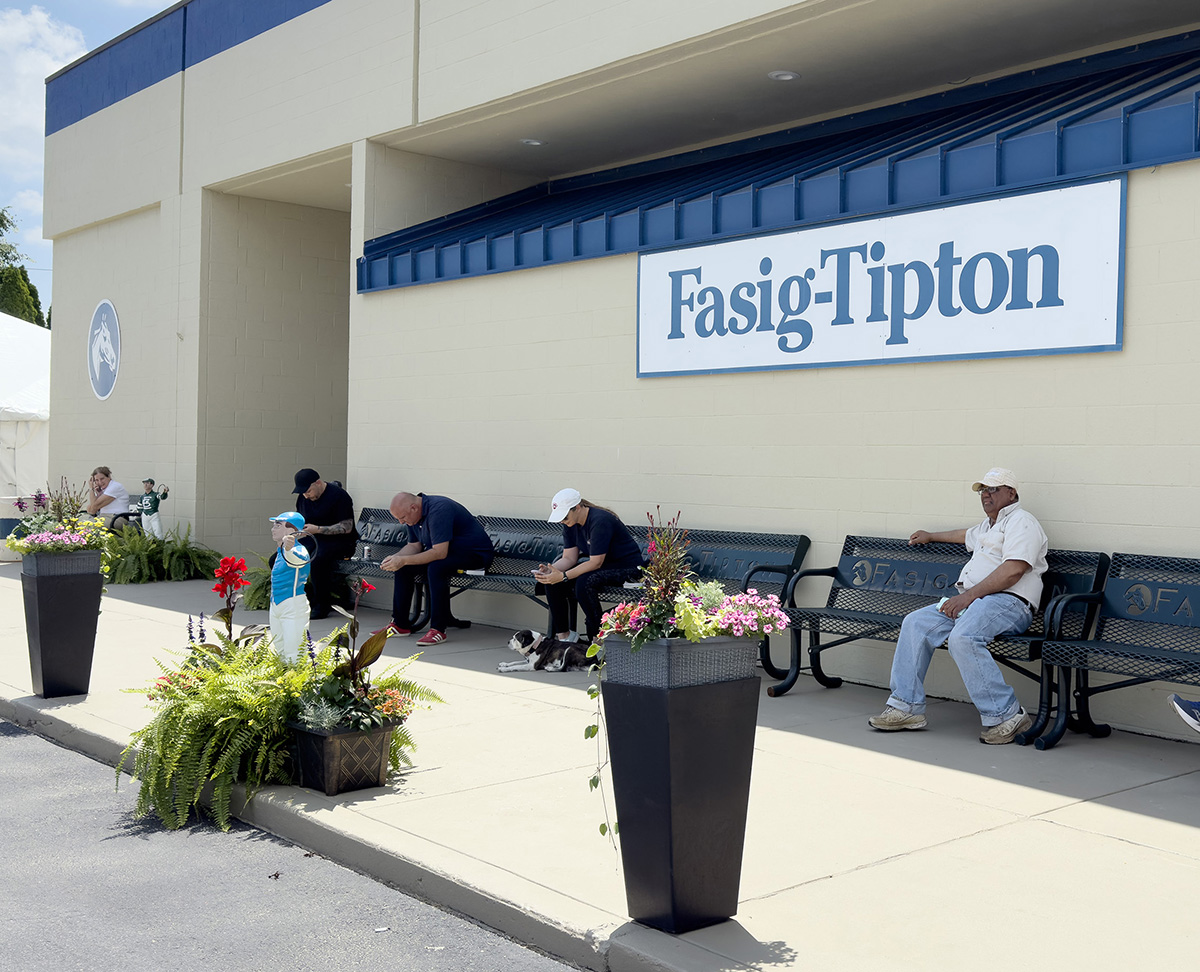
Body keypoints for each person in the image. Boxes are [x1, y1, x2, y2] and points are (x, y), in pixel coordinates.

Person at [869, 467, 1048, 745]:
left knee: (963, 637)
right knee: (916, 623)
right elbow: (964, 535)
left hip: (1009, 603)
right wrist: (931, 535)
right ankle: (906, 707)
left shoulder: (1022, 522)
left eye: (993, 489)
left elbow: (1014, 570)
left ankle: (1006, 714)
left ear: (1012, 493)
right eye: (982, 490)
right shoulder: (988, 526)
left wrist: (967, 597)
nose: (986, 495)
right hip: (974, 604)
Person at [378, 491, 494, 647]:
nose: (401, 522)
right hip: (448, 554)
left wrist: (403, 559)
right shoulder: (413, 517)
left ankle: (438, 629)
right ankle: (400, 624)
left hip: (474, 555)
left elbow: (439, 552)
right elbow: (414, 545)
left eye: (403, 518)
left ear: (413, 507)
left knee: (436, 567)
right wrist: (396, 559)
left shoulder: (439, 509)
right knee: (403, 567)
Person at [535, 488, 646, 645]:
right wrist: (552, 570)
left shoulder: (600, 520)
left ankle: (597, 636)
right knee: (553, 582)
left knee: (584, 582)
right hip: (602, 567)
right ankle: (564, 638)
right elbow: (569, 558)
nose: (562, 521)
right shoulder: (570, 524)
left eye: (565, 516)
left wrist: (563, 575)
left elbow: (595, 562)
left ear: (578, 507)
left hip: (627, 567)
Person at [292, 468, 358, 620]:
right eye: (302, 493)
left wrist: (318, 529)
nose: (306, 496)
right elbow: (301, 520)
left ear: (318, 483)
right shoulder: (303, 498)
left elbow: (346, 527)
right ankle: (304, 599)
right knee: (282, 557)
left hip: (340, 542)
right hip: (312, 537)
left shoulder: (339, 496)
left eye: (308, 491)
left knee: (318, 559)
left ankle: (322, 605)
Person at [267, 512, 313, 662]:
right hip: (276, 605)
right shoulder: (280, 551)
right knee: (280, 650)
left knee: (295, 653)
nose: (273, 529)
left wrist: (289, 549)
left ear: (291, 530)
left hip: (293, 605)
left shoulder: (299, 550)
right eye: (274, 525)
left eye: (278, 525)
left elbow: (298, 561)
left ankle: (297, 683)